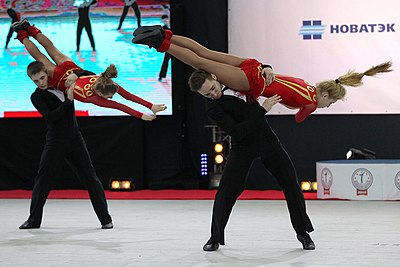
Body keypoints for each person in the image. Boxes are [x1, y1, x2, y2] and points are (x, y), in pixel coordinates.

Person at [132, 26, 393, 122]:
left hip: (255, 67)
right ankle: (160, 44)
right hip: (251, 80)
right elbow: (299, 119)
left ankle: (164, 34)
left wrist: (266, 68)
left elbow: (278, 78)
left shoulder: (305, 83)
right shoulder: (311, 103)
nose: (328, 106)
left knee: (205, 51)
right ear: (324, 93)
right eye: (331, 101)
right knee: (202, 62)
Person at [197, 82, 315, 251]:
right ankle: (215, 237)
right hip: (242, 145)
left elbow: (255, 69)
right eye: (207, 94)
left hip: (267, 140)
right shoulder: (213, 108)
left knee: (291, 184)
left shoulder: (236, 79)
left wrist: (267, 68)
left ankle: (303, 233)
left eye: (213, 89)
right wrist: (262, 109)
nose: (213, 94)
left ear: (215, 77)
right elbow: (237, 131)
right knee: (227, 189)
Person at [19, 60, 113, 230]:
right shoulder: (36, 97)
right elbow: (53, 117)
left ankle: (106, 219)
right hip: (56, 141)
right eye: (36, 81)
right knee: (43, 180)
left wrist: (76, 74)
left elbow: (91, 74)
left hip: (75, 138)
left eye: (42, 78)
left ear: (46, 73)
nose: (40, 83)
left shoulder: (62, 83)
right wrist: (69, 100)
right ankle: (33, 220)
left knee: (91, 178)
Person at [12, 18, 166, 120]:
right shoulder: (92, 97)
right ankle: (21, 34)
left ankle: (28, 27)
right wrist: (142, 115)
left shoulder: (103, 79)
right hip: (60, 77)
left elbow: (126, 98)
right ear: (99, 93)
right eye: (109, 97)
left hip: (71, 68)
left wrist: (151, 106)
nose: (111, 98)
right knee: (40, 57)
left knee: (51, 48)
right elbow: (121, 104)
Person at [158, 14, 171, 82]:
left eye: (166, 19)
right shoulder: (163, 29)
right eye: (164, 20)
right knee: (165, 61)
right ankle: (161, 76)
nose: (165, 21)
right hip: (169, 48)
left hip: (177, 47)